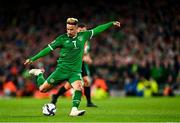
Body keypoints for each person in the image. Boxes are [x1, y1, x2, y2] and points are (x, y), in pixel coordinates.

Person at [24, 18, 120, 116]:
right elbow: (47, 50)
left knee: (79, 87)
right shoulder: (61, 39)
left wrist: (111, 23)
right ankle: (39, 73)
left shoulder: (84, 36)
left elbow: (98, 29)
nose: (69, 31)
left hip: (75, 71)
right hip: (61, 70)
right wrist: (33, 58)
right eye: (67, 29)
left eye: (71, 29)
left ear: (77, 29)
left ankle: (74, 110)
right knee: (42, 89)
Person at [50, 23, 97, 107]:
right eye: (80, 31)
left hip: (81, 64)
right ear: (77, 31)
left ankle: (55, 96)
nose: (82, 32)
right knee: (86, 81)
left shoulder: (86, 42)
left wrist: (88, 59)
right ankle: (88, 102)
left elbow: (86, 54)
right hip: (74, 64)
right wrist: (83, 58)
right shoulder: (76, 41)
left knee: (71, 85)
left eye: (84, 31)